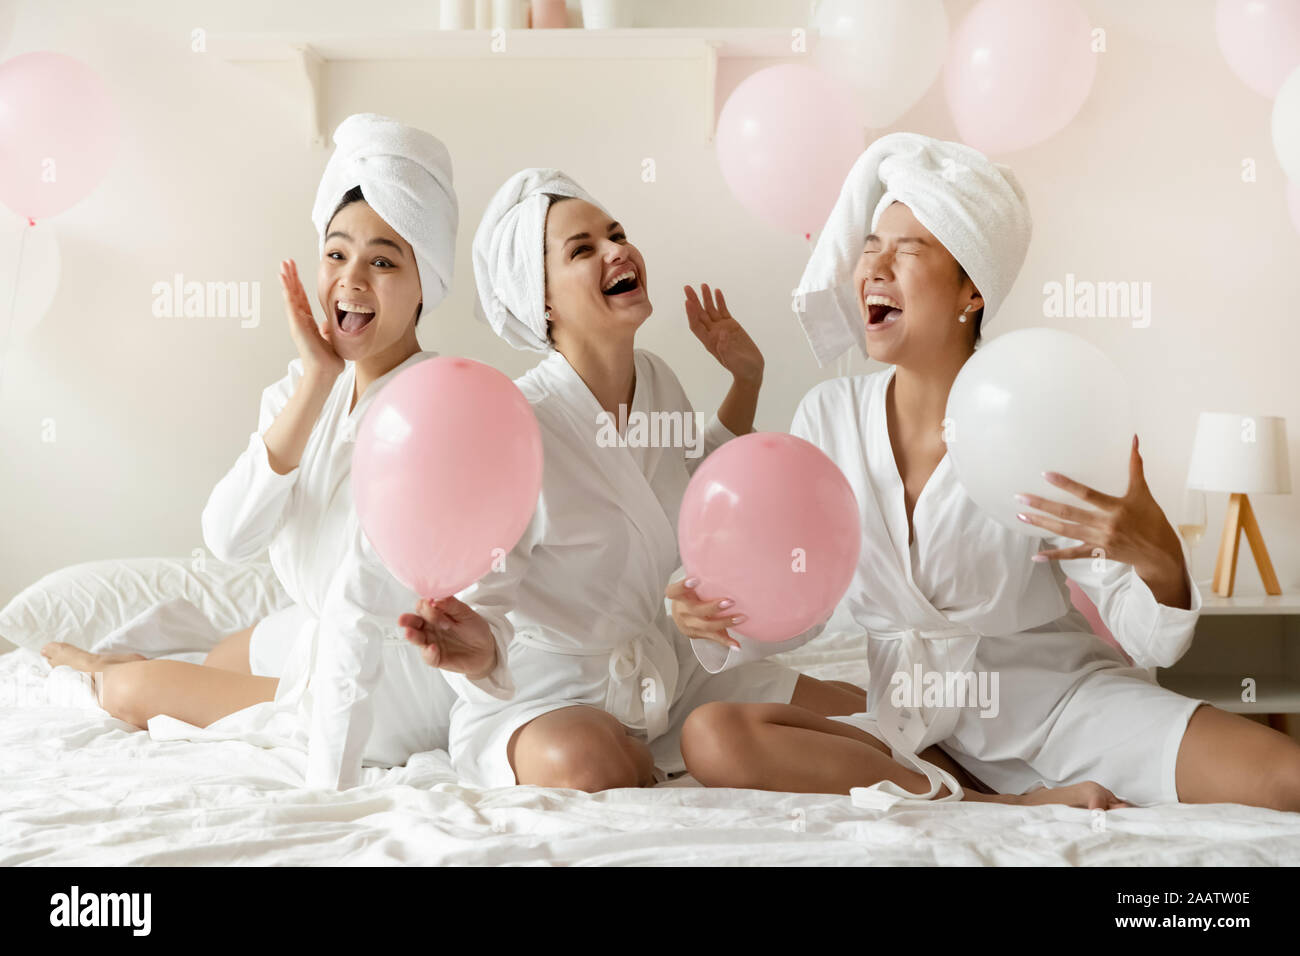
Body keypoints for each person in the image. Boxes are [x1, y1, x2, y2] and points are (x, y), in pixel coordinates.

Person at [670, 132, 1299, 811]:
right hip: (914, 727)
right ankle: (992, 803)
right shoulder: (828, 416)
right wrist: (717, 615)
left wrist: (1159, 559)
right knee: (712, 735)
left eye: (907, 249)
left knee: (1285, 780)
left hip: (1059, 709)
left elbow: (1152, 637)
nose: (875, 267)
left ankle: (999, 788)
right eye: (870, 246)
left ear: (972, 289)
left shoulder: (1036, 410)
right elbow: (805, 611)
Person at [42, 113, 505, 790]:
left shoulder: (435, 403)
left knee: (125, 694)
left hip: (393, 675)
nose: (351, 279)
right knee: (227, 650)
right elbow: (228, 537)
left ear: (424, 285)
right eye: (336, 253)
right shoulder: (302, 387)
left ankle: (114, 676)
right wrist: (317, 381)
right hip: (318, 628)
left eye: (383, 261)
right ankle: (136, 666)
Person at [401, 168, 869, 792]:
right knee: (590, 760)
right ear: (540, 298)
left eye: (615, 233)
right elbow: (488, 601)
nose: (616, 250)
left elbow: (696, 484)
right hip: (549, 693)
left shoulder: (655, 380)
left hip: (667, 674)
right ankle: (632, 754)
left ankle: (943, 777)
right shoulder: (517, 424)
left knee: (854, 709)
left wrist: (747, 380)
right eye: (582, 248)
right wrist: (479, 651)